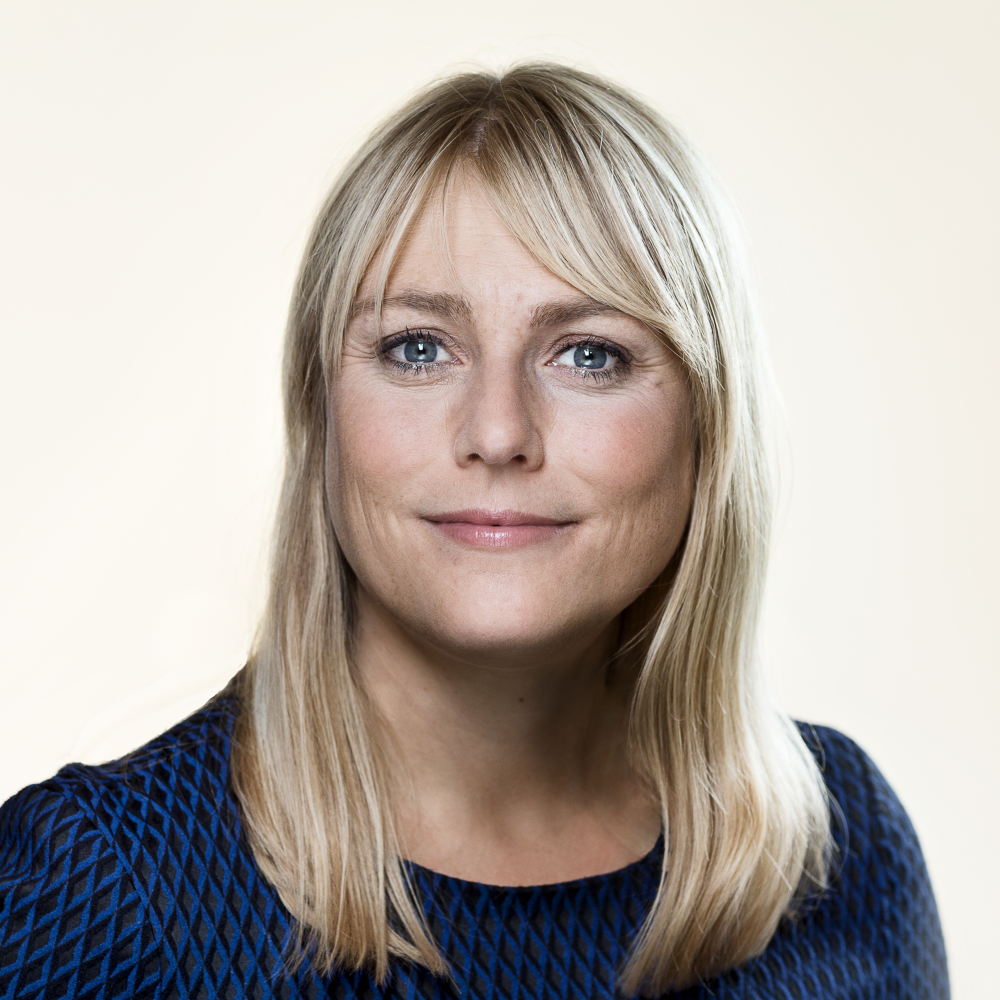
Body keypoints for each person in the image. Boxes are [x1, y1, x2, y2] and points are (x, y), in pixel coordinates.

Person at [0, 64, 948, 999]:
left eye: (590, 354)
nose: (497, 432)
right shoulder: (90, 889)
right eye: (417, 349)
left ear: (708, 423)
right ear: (321, 414)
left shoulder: (844, 847)